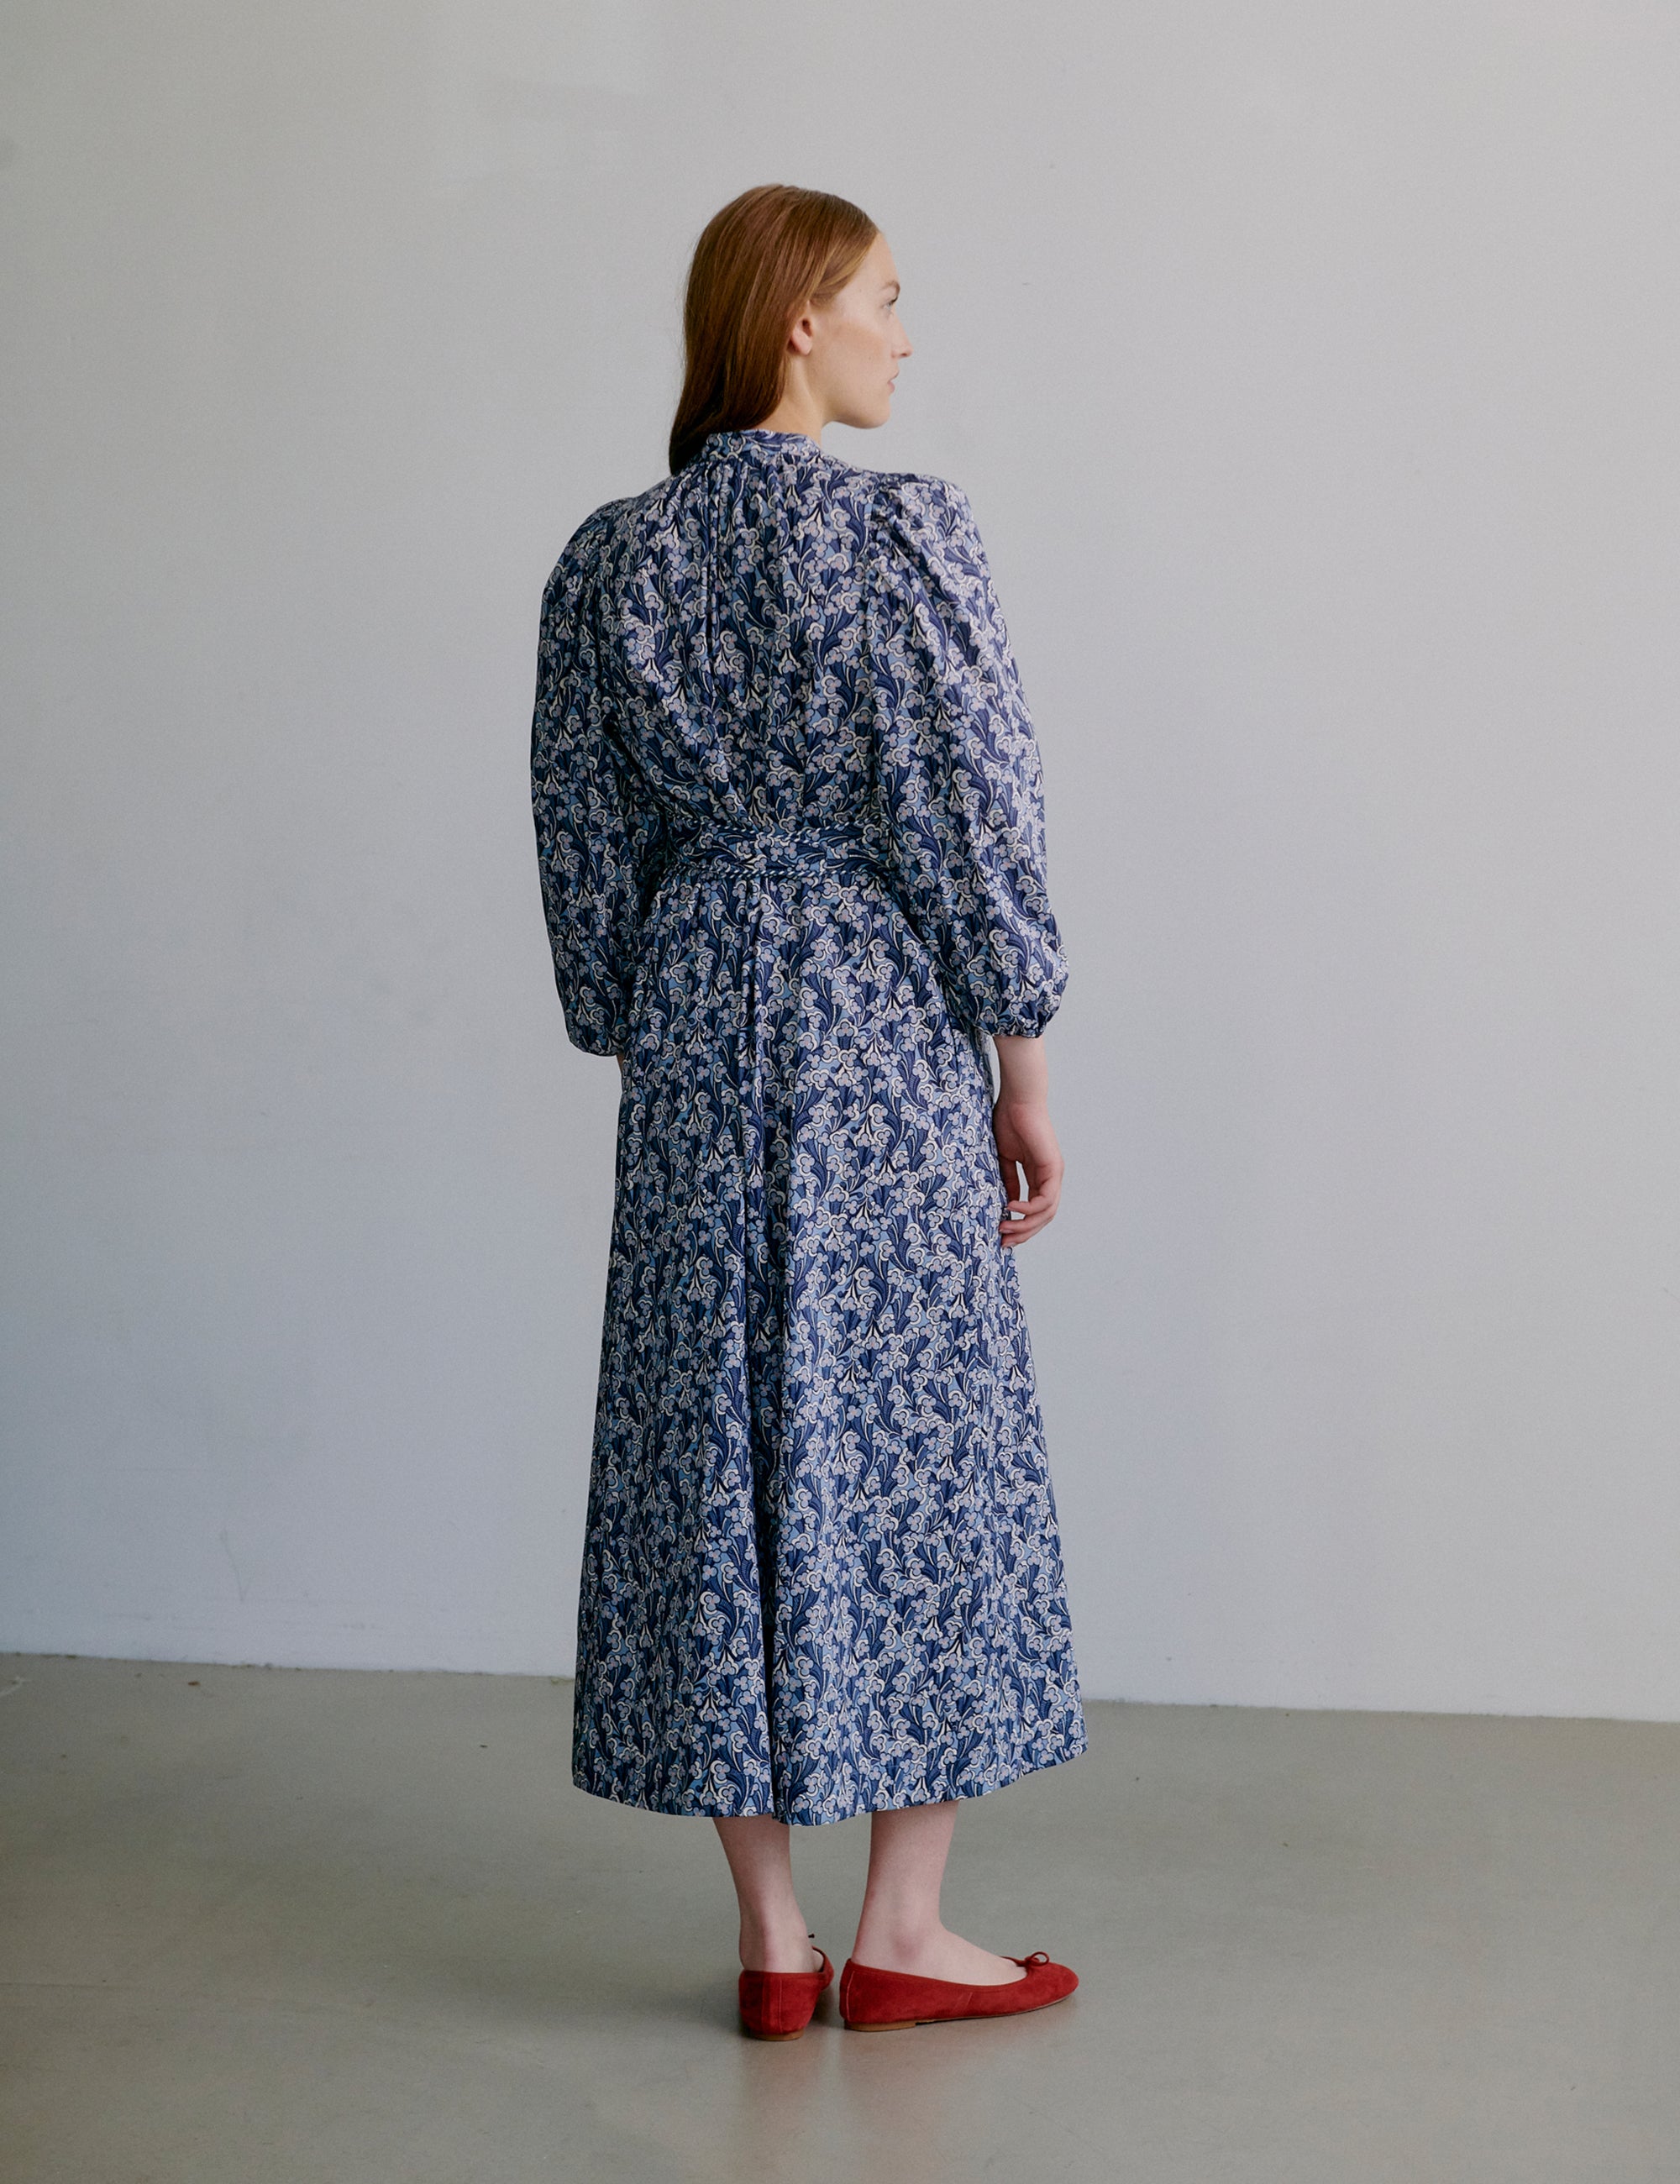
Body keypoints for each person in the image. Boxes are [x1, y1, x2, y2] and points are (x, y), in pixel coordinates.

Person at [530, 184, 1085, 2037]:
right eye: (886, 302)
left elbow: (582, 840)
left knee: (715, 1448)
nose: (904, 338)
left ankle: (773, 1942)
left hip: (698, 1018)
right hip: (870, 1012)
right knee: (920, 1431)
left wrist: (646, 1008)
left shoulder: (611, 561)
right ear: (797, 324)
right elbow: (972, 803)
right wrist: (1018, 1054)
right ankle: (905, 1931)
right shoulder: (905, 539)